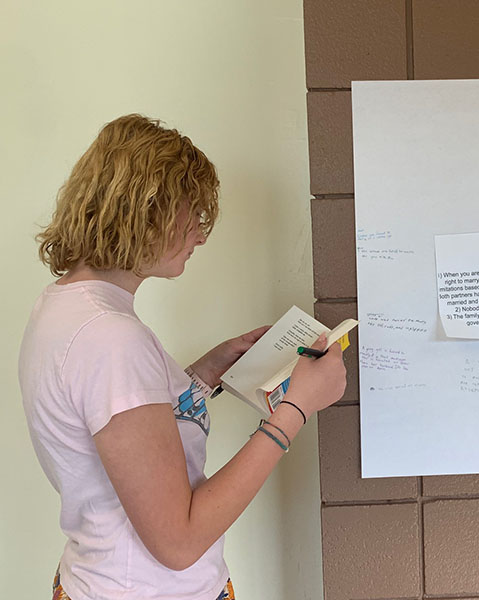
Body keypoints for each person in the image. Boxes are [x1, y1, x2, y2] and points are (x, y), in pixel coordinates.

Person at [18, 114, 347, 600]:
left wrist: (206, 372)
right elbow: (179, 540)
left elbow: (116, 418)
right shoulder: (110, 339)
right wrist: (296, 410)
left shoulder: (65, 305)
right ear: (144, 212)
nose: (200, 235)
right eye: (192, 213)